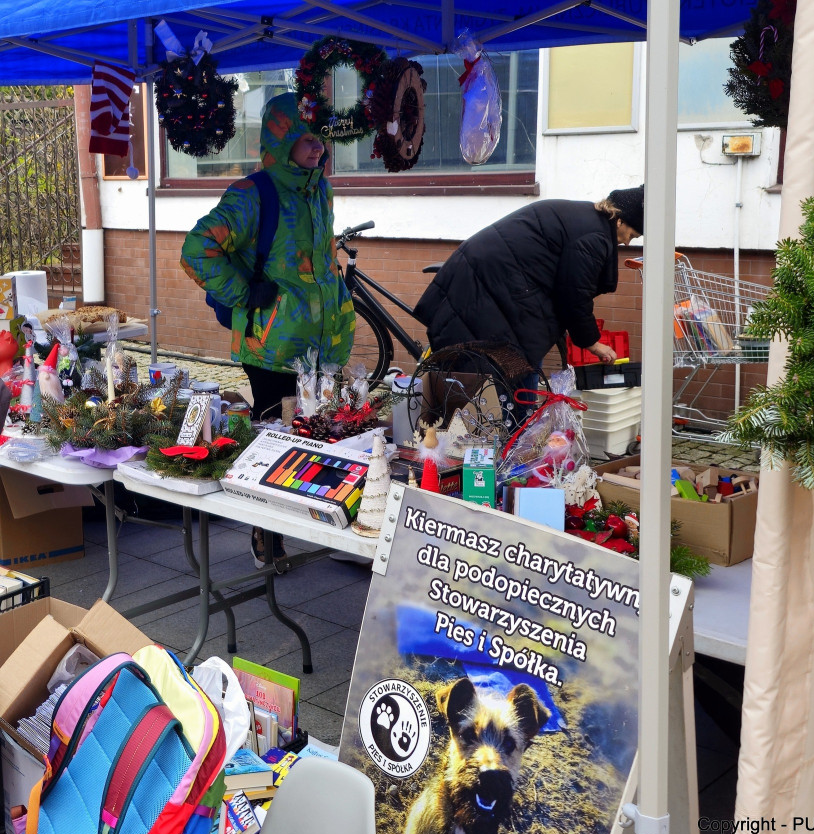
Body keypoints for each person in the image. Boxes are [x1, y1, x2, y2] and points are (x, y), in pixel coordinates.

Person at [181, 92, 356, 568]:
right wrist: (243, 293)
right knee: (274, 440)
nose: (317, 147)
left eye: (320, 137)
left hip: (322, 342)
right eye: (305, 139)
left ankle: (322, 519)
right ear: (281, 138)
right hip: (271, 344)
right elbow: (196, 248)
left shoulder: (320, 188)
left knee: (320, 434)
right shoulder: (251, 192)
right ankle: (267, 536)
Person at [413, 186, 644, 373]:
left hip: (492, 270)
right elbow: (575, 295)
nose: (626, 243)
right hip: (494, 276)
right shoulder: (595, 237)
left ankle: (515, 420)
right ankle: (517, 424)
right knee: (521, 353)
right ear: (620, 220)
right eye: (631, 236)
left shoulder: (589, 219)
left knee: (517, 353)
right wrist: (593, 343)